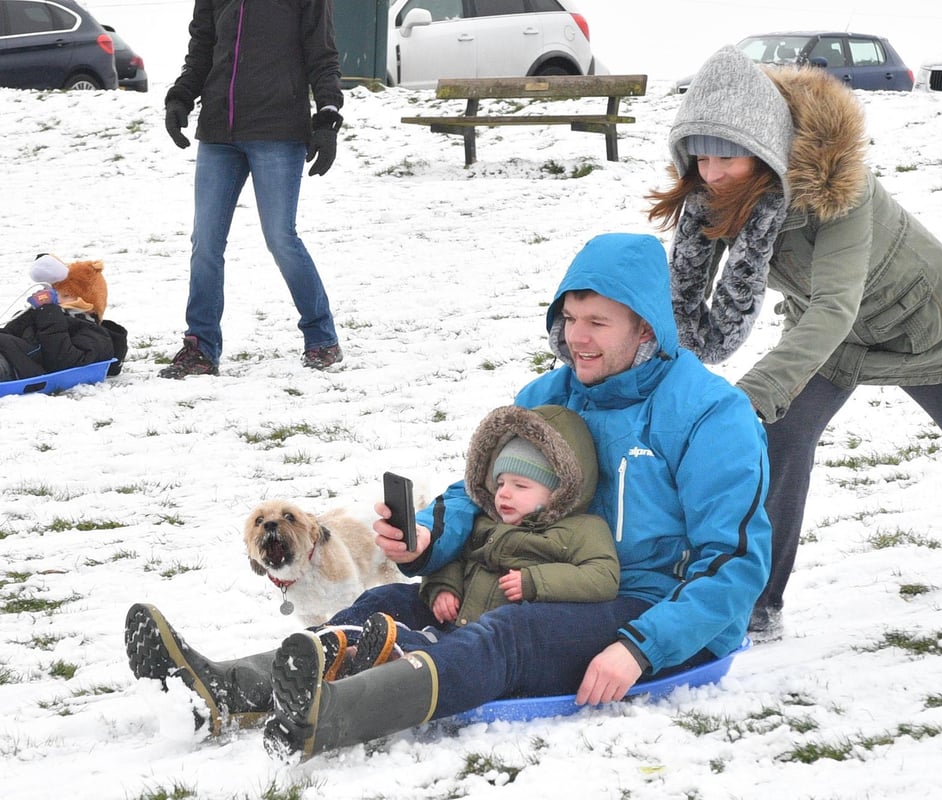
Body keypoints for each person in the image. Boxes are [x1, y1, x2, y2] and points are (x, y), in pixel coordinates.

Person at [124, 232, 771, 761]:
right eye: (570, 318)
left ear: (647, 329)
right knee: (388, 602)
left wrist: (641, 645)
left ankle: (330, 715)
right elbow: (482, 495)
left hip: (642, 605)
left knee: (503, 636)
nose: (577, 337)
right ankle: (226, 689)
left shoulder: (710, 415)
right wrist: (431, 536)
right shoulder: (548, 397)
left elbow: (734, 563)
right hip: (526, 575)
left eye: (599, 322)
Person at [646, 46, 942, 636]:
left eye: (728, 156)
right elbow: (682, 300)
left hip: (922, 322)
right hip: (833, 335)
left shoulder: (838, 188)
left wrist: (751, 391)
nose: (713, 172)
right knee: (783, 433)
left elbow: (835, 303)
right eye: (700, 155)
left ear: (765, 148)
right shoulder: (715, 195)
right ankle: (759, 603)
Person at [345, 402, 620, 675]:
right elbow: (457, 556)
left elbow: (602, 575)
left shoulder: (582, 529)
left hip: (500, 637)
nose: (504, 494)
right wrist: (443, 587)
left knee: (442, 644)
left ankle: (380, 655)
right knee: (386, 596)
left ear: (560, 490)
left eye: (520, 486)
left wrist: (535, 581)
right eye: (500, 483)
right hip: (458, 617)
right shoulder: (488, 521)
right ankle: (330, 640)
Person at [157, 0, 345, 379]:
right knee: (205, 242)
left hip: (278, 129)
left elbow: (321, 54)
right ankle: (201, 348)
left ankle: (321, 336)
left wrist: (327, 115)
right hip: (218, 133)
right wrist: (180, 96)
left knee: (280, 237)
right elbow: (202, 49)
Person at [0, 254, 127, 381]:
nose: (58, 300)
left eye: (65, 295)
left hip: (13, 367)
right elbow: (9, 334)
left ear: (89, 304)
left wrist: (48, 312)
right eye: (55, 293)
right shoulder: (45, 316)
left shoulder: (95, 333)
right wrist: (30, 314)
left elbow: (63, 363)